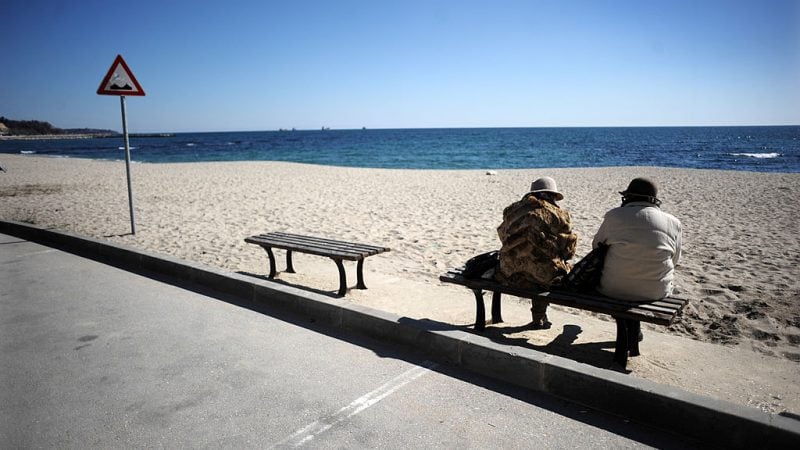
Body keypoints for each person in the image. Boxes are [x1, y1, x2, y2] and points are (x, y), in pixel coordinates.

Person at [496, 177, 578, 329]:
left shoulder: (510, 210)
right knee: (551, 268)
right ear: (553, 195)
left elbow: (502, 235)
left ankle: (539, 317)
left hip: (509, 272)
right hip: (543, 276)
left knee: (533, 262)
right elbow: (569, 252)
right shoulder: (559, 215)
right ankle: (539, 316)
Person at [592, 177, 682, 301]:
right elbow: (674, 259)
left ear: (629, 197)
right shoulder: (674, 223)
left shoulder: (614, 215)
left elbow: (596, 247)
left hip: (612, 289)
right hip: (656, 293)